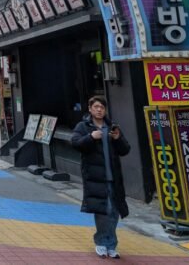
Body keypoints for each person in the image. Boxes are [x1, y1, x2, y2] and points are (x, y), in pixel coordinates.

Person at [72, 96, 130, 259]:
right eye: (96, 107)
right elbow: (75, 143)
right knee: (103, 211)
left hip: (114, 177)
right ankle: (102, 242)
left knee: (115, 211)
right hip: (96, 178)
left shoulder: (112, 127)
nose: (99, 110)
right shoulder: (83, 126)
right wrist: (91, 137)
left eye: (102, 107)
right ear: (90, 109)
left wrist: (118, 139)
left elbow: (125, 150)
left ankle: (110, 244)